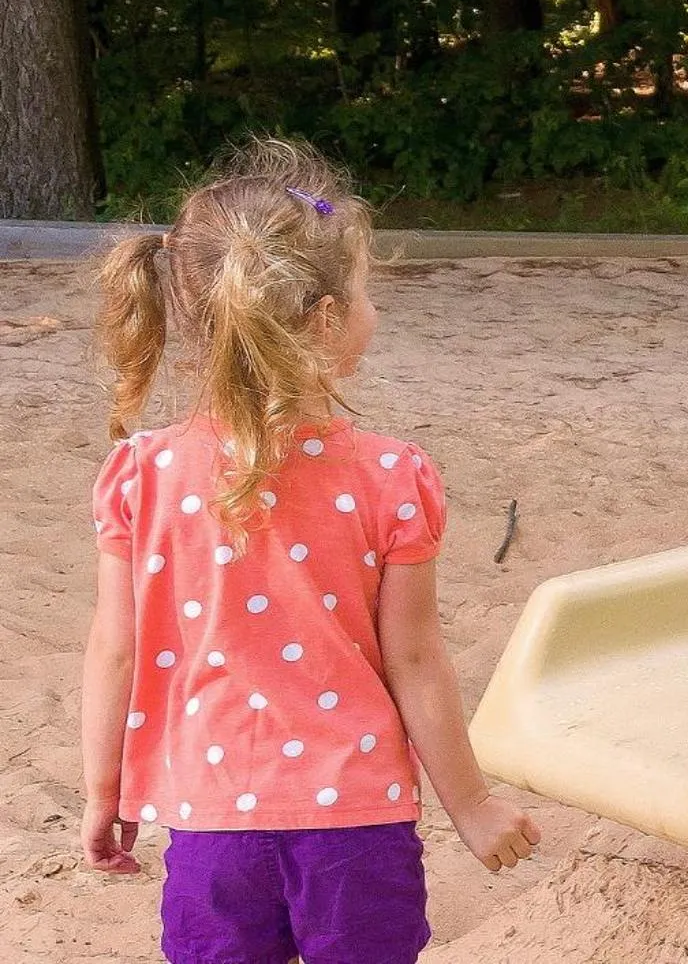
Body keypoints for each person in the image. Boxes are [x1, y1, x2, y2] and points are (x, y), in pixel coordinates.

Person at [80, 137, 539, 964]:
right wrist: (470, 806)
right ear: (325, 319)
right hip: (356, 822)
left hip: (210, 819)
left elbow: (117, 652)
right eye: (366, 293)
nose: (374, 313)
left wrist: (102, 792)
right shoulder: (391, 477)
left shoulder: (141, 475)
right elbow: (416, 659)